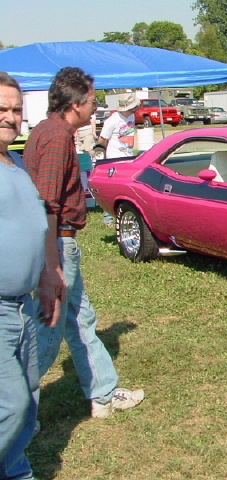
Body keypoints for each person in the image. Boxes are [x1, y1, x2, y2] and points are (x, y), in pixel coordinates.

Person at [23, 67, 144, 419]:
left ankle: (103, 394)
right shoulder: (57, 136)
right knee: (49, 330)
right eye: (92, 101)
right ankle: (14, 409)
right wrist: (53, 265)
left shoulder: (49, 131)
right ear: (75, 104)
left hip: (58, 244)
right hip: (57, 245)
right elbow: (47, 202)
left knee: (80, 320)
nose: (95, 108)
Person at [0, 71, 58, 480]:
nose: (10, 116)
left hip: (24, 307)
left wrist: (47, 276)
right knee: (12, 404)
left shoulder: (16, 162)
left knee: (28, 402)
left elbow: (34, 224)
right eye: (1, 108)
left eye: (16, 109)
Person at [97, 92, 139, 226]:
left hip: (128, 156)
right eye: (133, 106)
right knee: (112, 188)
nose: (136, 108)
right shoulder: (112, 120)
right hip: (114, 158)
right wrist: (102, 158)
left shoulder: (132, 116)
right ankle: (108, 218)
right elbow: (102, 140)